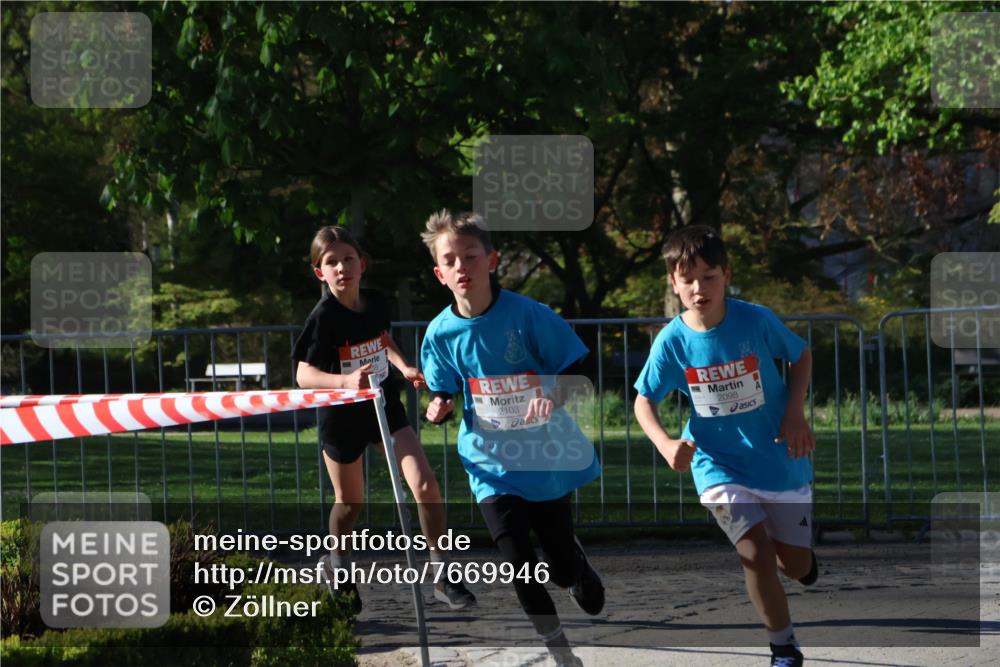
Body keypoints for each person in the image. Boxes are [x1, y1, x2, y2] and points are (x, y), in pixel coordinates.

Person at [419, 210, 604, 667]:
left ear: (492, 260)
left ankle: (574, 564)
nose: (462, 266)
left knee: (558, 568)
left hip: (542, 458)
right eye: (451, 260)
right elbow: (445, 388)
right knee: (518, 565)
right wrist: (439, 407)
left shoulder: (529, 315)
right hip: (490, 465)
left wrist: (552, 396)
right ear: (439, 273)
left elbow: (577, 367)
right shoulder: (440, 333)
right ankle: (559, 650)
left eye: (471, 255)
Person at [633, 225, 818, 667]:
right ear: (674, 284)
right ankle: (783, 646)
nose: (700, 289)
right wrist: (664, 443)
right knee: (753, 552)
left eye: (709, 277)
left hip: (777, 457)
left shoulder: (755, 319)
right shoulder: (673, 341)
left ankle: (803, 560)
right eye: (688, 279)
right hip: (717, 463)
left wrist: (795, 412)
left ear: (727, 275)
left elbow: (801, 354)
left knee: (793, 565)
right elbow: (644, 400)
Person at [292, 225, 476, 614]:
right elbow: (303, 374)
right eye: (331, 262)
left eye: (348, 259)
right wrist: (345, 381)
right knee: (350, 503)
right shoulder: (323, 316)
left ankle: (441, 573)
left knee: (425, 483)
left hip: (384, 408)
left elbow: (382, 339)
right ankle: (338, 567)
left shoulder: (375, 302)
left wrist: (405, 366)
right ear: (319, 272)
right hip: (341, 419)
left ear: (362, 263)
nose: (342, 267)